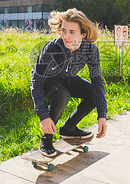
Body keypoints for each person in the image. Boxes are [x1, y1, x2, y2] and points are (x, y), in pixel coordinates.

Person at [30, 8, 108, 157]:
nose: (66, 36)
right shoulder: (52, 48)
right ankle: (47, 138)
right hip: (48, 82)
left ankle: (69, 128)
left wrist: (102, 114)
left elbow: (97, 81)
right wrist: (44, 117)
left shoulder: (91, 50)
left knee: (93, 93)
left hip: (69, 79)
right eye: (64, 30)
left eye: (72, 32)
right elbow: (36, 82)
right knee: (62, 95)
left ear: (83, 34)